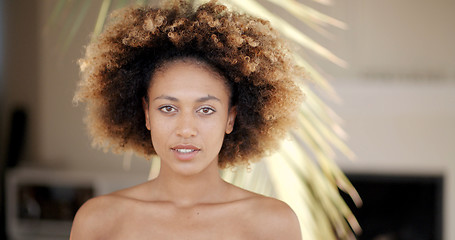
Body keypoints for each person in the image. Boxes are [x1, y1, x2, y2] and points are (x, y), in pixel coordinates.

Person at [70, 0, 304, 239]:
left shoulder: (273, 224)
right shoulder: (98, 221)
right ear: (147, 114)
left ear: (230, 119)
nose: (186, 130)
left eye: (205, 110)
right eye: (168, 108)